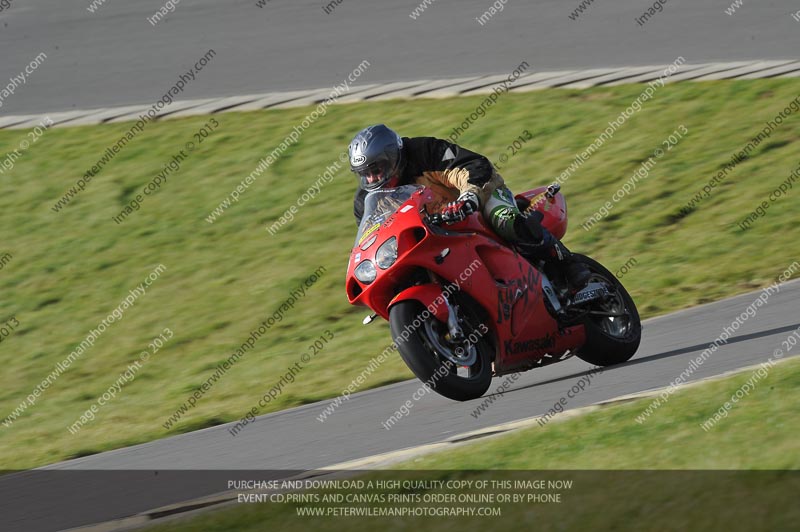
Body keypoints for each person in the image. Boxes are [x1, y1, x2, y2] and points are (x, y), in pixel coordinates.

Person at [349, 124, 591, 288]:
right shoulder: (365, 201)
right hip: (434, 234)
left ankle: (567, 264)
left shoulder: (424, 152)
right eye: (365, 174)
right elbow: (374, 235)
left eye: (376, 169)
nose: (372, 179)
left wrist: (468, 198)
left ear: (392, 158)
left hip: (474, 202)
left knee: (504, 219)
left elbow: (470, 166)